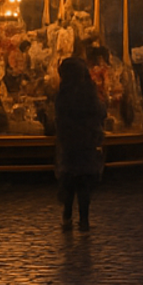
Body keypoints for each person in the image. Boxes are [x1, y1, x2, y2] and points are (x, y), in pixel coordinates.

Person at [54, 56, 107, 231]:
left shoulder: (63, 93)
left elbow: (59, 117)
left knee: (69, 179)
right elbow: (99, 112)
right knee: (84, 182)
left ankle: (67, 216)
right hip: (87, 142)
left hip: (69, 142)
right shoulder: (88, 91)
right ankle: (84, 219)